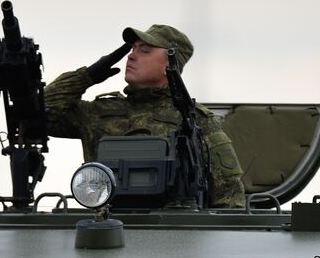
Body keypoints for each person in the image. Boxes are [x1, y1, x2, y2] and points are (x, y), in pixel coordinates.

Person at [45, 24, 246, 209]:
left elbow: (229, 197)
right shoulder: (98, 113)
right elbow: (40, 116)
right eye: (132, 49)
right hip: (105, 230)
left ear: (171, 64)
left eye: (145, 51)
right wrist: (86, 76)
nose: (131, 56)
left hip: (173, 237)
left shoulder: (194, 120)